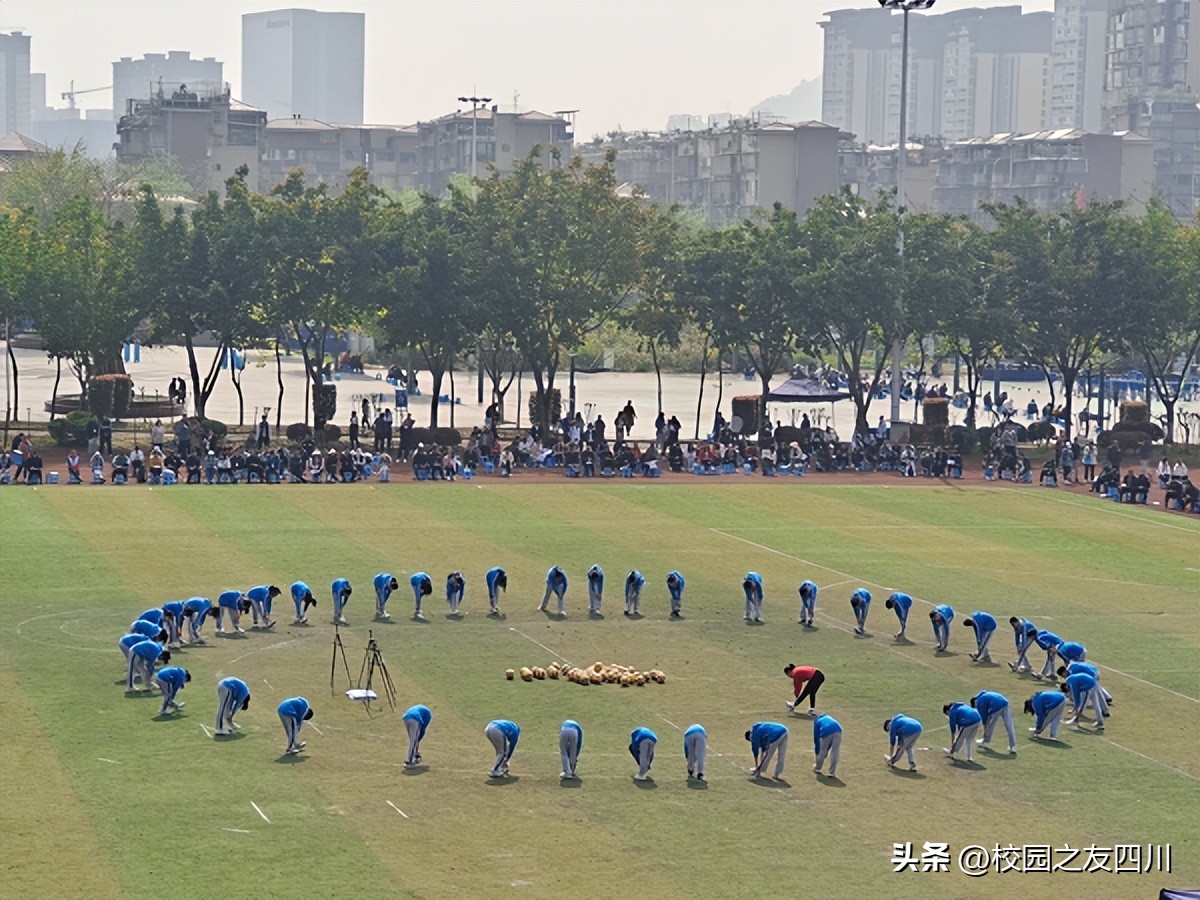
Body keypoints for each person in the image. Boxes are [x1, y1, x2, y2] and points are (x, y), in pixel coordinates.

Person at [812, 713, 842, 778]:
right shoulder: (828, 717)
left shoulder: (817, 721)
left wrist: (817, 751)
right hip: (838, 729)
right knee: (835, 751)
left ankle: (818, 768)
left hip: (826, 731)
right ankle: (832, 772)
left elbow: (816, 738)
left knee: (822, 751)